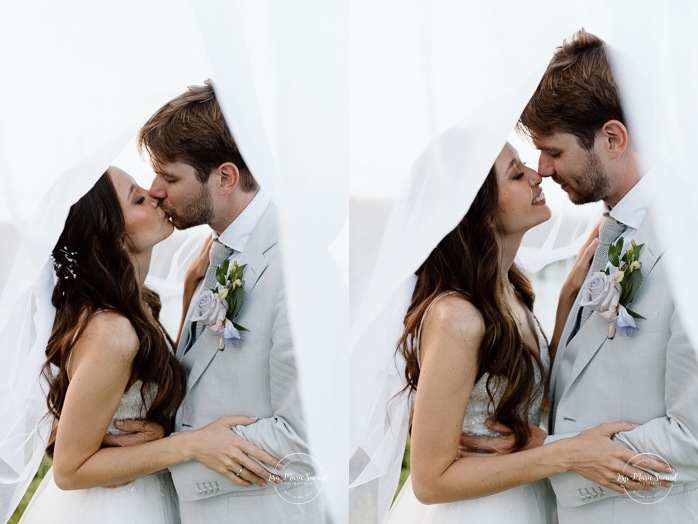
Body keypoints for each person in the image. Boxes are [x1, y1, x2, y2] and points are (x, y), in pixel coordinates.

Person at [463, 30, 698, 522]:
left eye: (553, 150)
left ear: (612, 138)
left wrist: (552, 449)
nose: (542, 170)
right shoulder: (608, 234)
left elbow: (692, 437)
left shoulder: (686, 239)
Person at [385, 141, 673, 523]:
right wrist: (564, 453)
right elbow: (429, 481)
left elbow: (537, 397)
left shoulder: (509, 292)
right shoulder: (456, 317)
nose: (538, 176)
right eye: (517, 174)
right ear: (478, 210)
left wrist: (569, 297)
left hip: (526, 502)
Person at [111, 81, 325, 522]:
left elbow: (306, 437)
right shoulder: (216, 252)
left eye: (170, 177)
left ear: (224, 177)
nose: (156, 191)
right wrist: (166, 436)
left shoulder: (295, 265)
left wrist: (178, 453)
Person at [18, 167, 282, 524]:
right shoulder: (113, 331)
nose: (155, 195)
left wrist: (191, 286)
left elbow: (156, 376)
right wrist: (189, 444)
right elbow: (68, 469)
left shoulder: (135, 304)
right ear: (106, 237)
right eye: (138, 198)